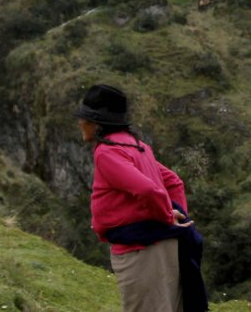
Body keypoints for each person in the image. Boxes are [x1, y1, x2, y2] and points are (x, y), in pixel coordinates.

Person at [76, 84, 208, 312]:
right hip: (164, 247)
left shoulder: (107, 152)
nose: (80, 123)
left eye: (84, 119)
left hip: (141, 251)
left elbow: (148, 191)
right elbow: (174, 182)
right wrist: (176, 222)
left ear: (97, 124)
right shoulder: (138, 146)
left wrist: (168, 218)